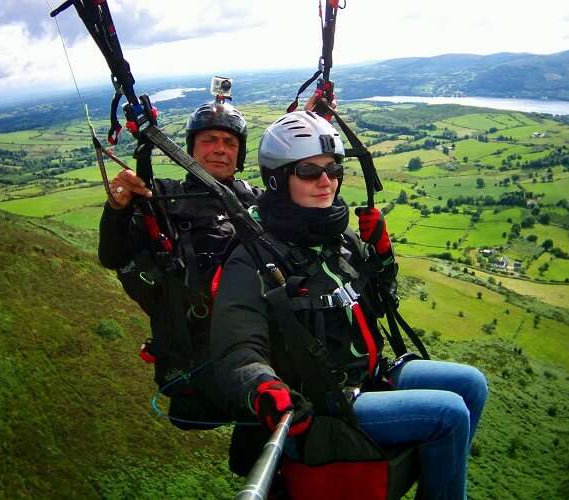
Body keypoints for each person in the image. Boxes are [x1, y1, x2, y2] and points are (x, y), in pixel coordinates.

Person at [211, 110, 488, 499]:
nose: (326, 181)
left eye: (334, 168)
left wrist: (382, 256)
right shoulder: (254, 258)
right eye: (309, 171)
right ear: (277, 180)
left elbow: (380, 303)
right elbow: (236, 350)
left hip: (372, 377)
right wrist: (264, 388)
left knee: (472, 385)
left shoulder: (339, 240)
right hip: (325, 403)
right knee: (449, 415)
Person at [98, 100, 261, 429]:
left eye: (229, 142)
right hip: (196, 367)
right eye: (208, 140)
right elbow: (112, 256)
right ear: (190, 149)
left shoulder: (256, 204)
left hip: (257, 359)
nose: (219, 149)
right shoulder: (159, 201)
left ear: (240, 154)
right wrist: (117, 210)